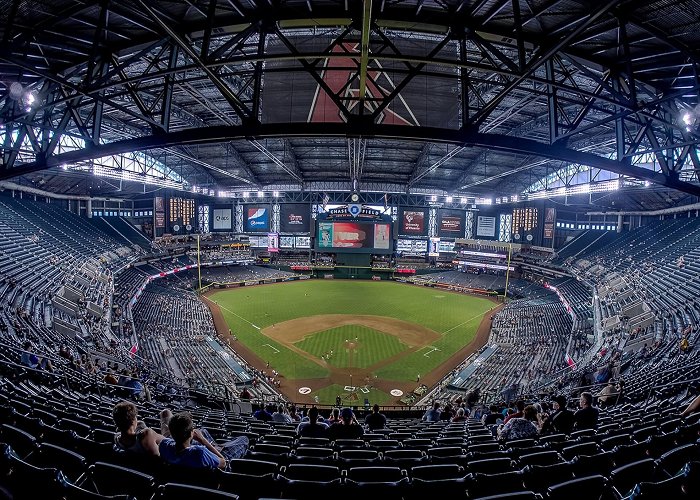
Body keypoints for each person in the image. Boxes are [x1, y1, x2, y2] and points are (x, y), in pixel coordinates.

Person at [159, 412, 249, 470]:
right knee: (244, 439)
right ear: (191, 434)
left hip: (186, 457)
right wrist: (203, 440)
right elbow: (223, 462)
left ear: (171, 432)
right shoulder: (199, 452)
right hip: (218, 459)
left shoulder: (164, 445)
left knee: (203, 431)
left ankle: (214, 444)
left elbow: (165, 413)